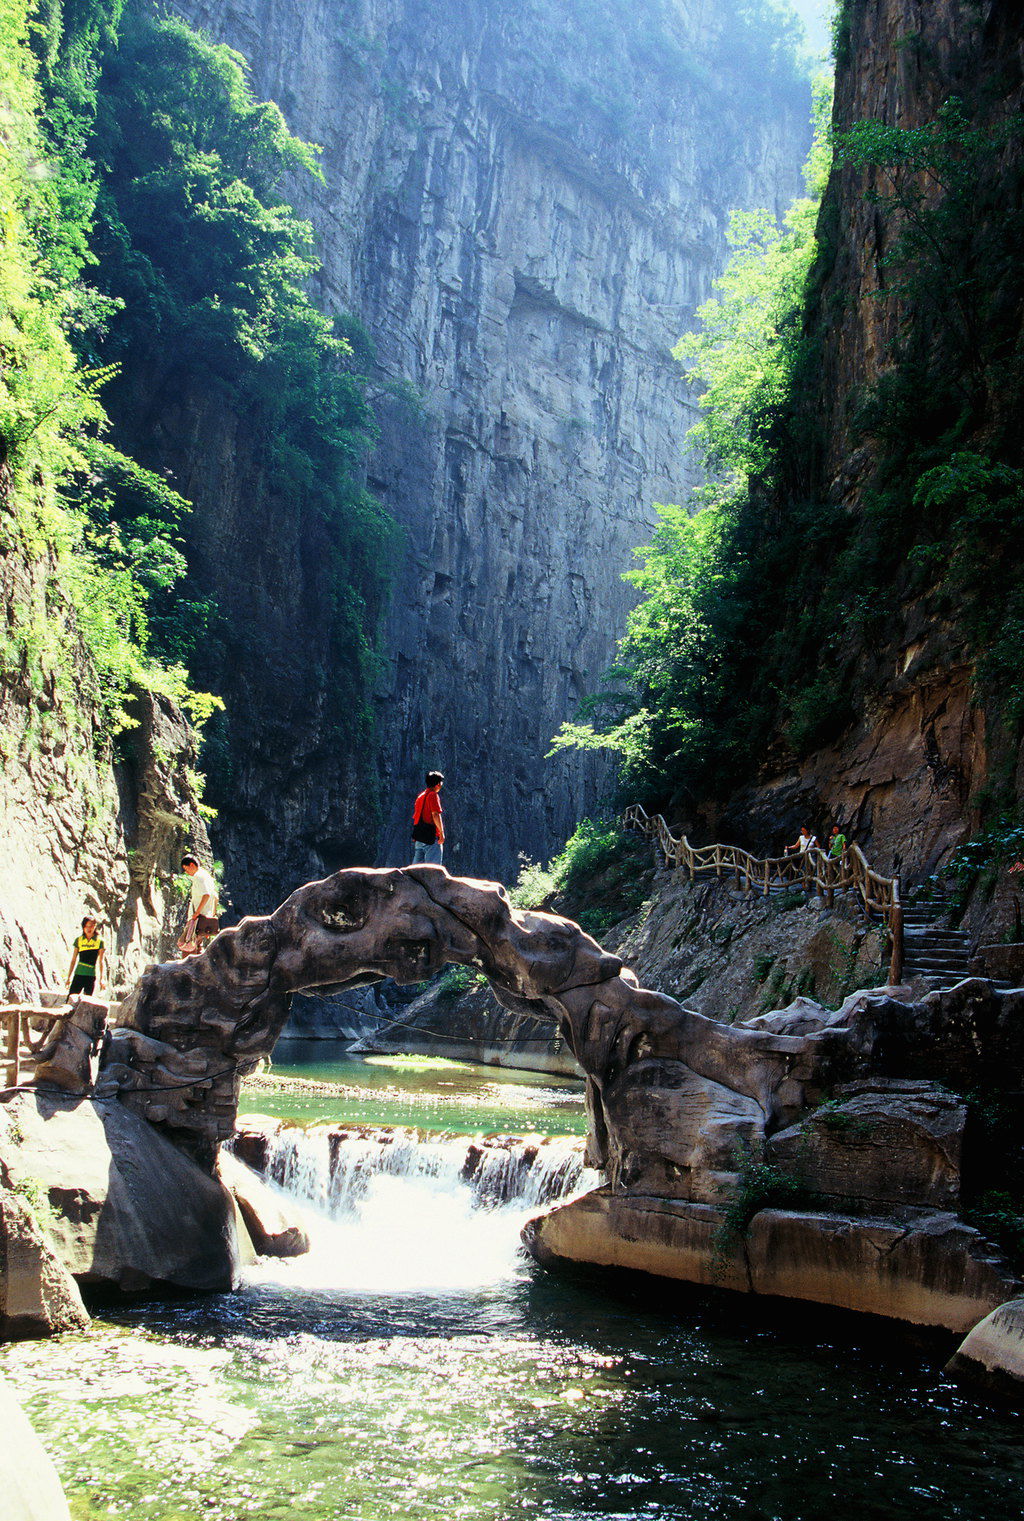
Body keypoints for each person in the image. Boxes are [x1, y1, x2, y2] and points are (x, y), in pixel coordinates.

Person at [181, 854, 220, 949]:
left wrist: (196, 913)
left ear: (192, 865)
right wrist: (213, 914)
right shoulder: (206, 875)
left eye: (186, 869)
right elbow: (215, 896)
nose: (187, 872)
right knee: (198, 944)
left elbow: (206, 895)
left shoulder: (198, 876)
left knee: (188, 944)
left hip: (199, 917)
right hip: (206, 916)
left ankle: (188, 964)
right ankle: (199, 962)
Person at [410, 771, 445, 865]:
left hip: (419, 837)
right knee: (433, 869)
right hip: (431, 838)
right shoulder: (433, 795)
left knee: (416, 869)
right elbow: (435, 815)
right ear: (438, 784)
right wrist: (441, 833)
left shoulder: (420, 796)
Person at [66, 917, 104, 997]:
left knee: (87, 1002)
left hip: (90, 976)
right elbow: (73, 960)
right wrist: (69, 977)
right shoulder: (79, 940)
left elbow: (101, 961)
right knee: (71, 998)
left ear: (95, 926)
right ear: (83, 927)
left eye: (91, 926)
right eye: (86, 926)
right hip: (78, 974)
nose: (88, 929)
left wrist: (102, 978)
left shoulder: (100, 941)